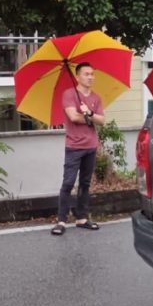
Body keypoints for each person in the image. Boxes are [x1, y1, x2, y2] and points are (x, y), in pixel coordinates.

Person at [52, 62, 106, 236]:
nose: (90, 77)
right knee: (68, 183)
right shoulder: (68, 94)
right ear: (77, 76)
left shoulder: (96, 98)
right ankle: (61, 220)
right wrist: (89, 116)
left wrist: (89, 114)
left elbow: (102, 120)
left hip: (91, 145)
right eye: (86, 74)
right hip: (74, 146)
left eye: (92, 74)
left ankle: (81, 218)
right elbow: (73, 116)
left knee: (85, 183)